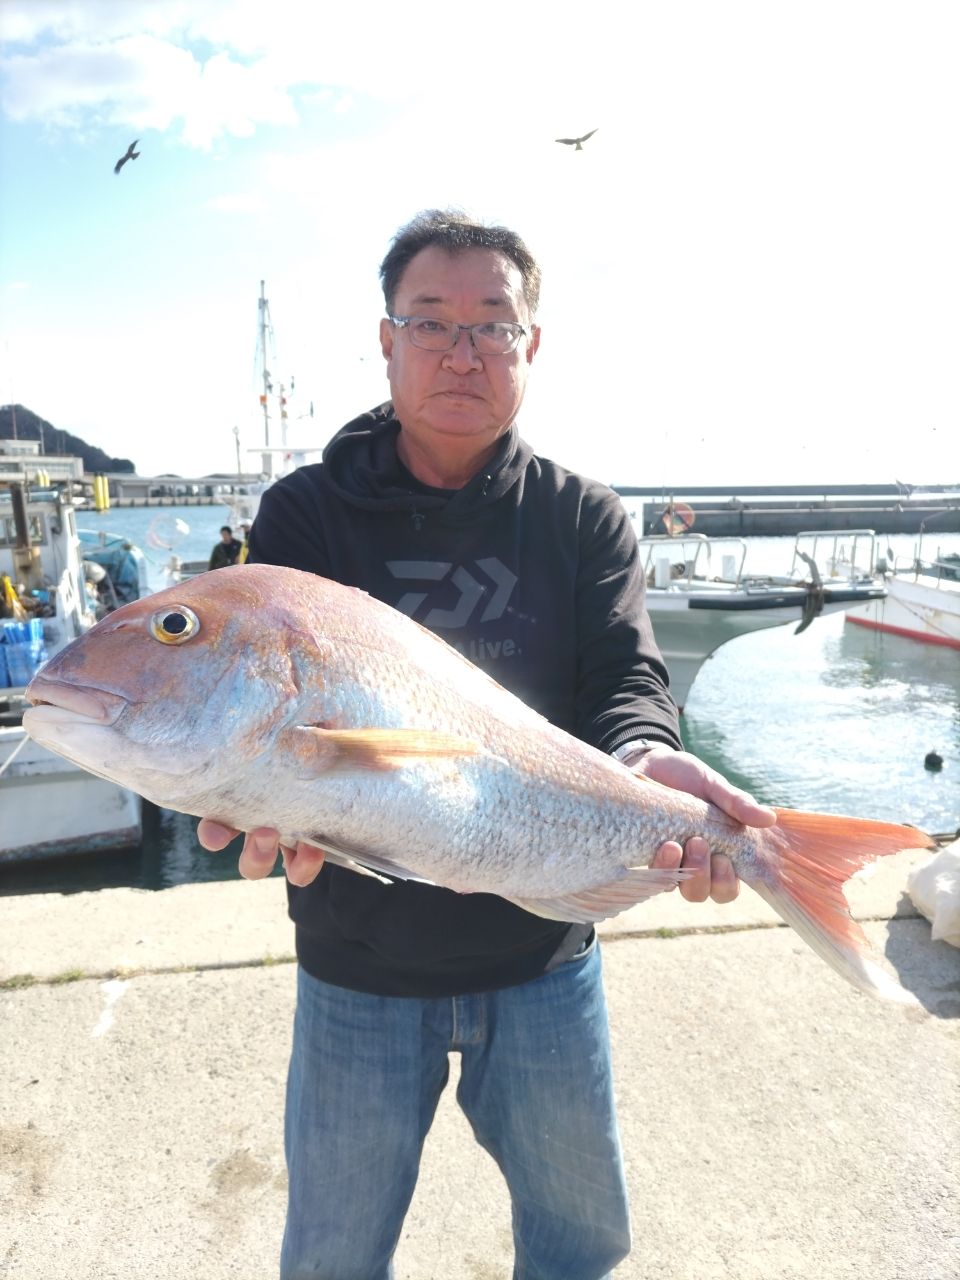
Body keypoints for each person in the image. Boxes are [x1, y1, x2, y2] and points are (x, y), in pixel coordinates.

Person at [198, 209, 776, 1280]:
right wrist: (254, 795)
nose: (461, 350)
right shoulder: (308, 515)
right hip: (356, 963)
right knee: (329, 1252)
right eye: (430, 321)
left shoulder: (585, 519)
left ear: (532, 344)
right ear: (385, 340)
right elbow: (274, 712)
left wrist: (647, 765)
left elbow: (625, 684)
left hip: (544, 959)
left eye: (491, 325)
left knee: (579, 1244)